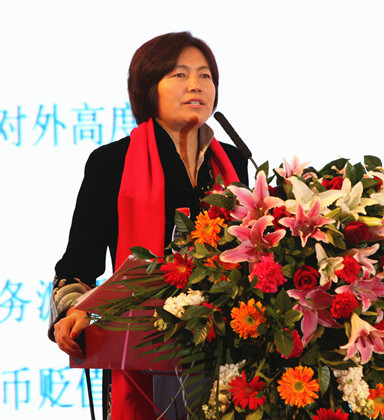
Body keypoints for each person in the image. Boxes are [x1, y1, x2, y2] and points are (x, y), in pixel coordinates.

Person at [48, 32, 249, 420]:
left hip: (230, 354)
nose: (196, 84)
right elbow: (76, 267)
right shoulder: (112, 162)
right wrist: (75, 311)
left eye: (205, 75)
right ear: (147, 87)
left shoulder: (235, 163)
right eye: (179, 74)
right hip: (144, 354)